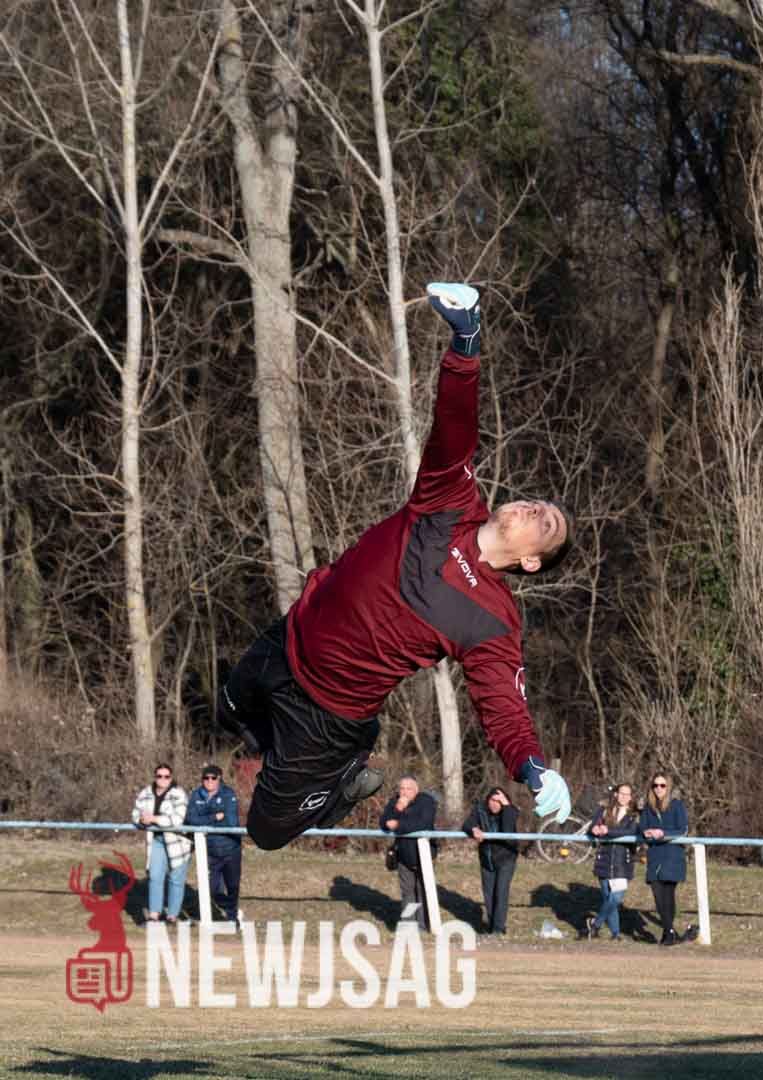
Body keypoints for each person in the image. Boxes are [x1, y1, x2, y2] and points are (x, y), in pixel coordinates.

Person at [215, 282, 574, 851]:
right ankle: (300, 752)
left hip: (328, 714)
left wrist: (532, 768)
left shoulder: (492, 619)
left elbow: (503, 708)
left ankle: (339, 780)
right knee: (227, 708)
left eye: (547, 524)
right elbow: (455, 427)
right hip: (290, 639)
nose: (536, 509)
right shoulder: (450, 500)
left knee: (266, 831)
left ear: (531, 561)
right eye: (537, 502)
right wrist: (466, 344)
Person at [641, 772, 696, 946]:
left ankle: (668, 933)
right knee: (657, 894)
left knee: (668, 895)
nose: (658, 788)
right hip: (655, 856)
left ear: (668, 787)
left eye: (662, 785)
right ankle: (670, 932)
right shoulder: (648, 807)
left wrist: (663, 833)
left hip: (672, 856)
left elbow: (683, 830)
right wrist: (646, 832)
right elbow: (642, 827)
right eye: (655, 785)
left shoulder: (677, 805)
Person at [184, 764, 243, 926]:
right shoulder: (196, 795)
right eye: (206, 778)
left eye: (213, 778)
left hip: (231, 848)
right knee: (212, 889)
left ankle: (232, 918)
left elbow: (231, 822)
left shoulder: (228, 794)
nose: (209, 781)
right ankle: (229, 908)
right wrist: (214, 817)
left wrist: (204, 821)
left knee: (232, 886)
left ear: (219, 779)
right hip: (209, 850)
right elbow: (190, 820)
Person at [132, 763, 190, 925]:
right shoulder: (145, 793)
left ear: (171, 778)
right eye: (159, 776)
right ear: (155, 777)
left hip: (178, 841)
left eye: (166, 776)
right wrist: (141, 820)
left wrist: (154, 819)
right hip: (156, 840)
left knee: (176, 879)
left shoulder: (178, 794)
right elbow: (135, 813)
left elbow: (177, 819)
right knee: (155, 877)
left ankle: (172, 916)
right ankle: (154, 915)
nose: (163, 779)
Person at [381, 776, 438, 932]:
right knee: (408, 892)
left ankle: (424, 925)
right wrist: (398, 809)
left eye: (409, 788)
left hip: (424, 854)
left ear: (416, 790)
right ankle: (408, 925)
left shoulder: (426, 801)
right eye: (402, 788)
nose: (405, 792)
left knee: (422, 890)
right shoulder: (395, 802)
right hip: (403, 854)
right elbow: (384, 823)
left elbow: (423, 823)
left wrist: (398, 825)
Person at [461, 786, 520, 936]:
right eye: (492, 800)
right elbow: (467, 823)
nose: (495, 804)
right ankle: (492, 925)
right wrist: (473, 829)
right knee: (489, 894)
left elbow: (507, 830)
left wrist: (506, 806)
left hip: (506, 858)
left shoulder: (511, 811)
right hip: (486, 858)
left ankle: (498, 929)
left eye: (499, 801)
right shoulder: (480, 810)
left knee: (501, 892)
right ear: (487, 800)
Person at [585, 782, 638, 941]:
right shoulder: (604, 810)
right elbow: (592, 827)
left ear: (631, 797)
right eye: (621, 793)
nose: (624, 797)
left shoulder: (635, 814)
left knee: (616, 898)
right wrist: (594, 829)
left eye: (627, 794)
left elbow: (630, 831)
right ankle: (615, 934)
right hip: (604, 858)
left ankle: (595, 923)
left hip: (622, 861)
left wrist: (608, 830)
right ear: (616, 794)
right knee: (608, 898)